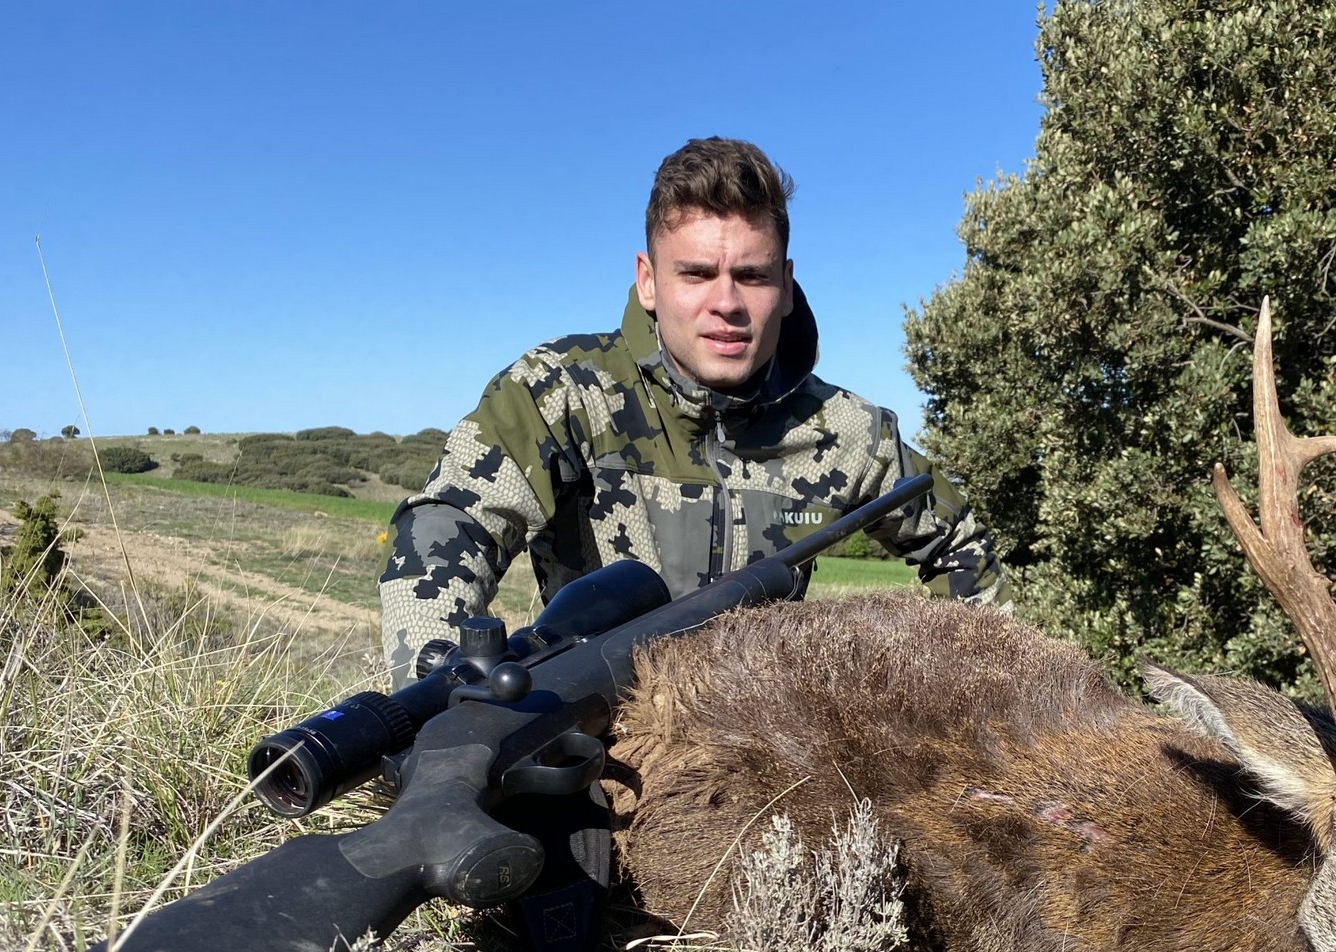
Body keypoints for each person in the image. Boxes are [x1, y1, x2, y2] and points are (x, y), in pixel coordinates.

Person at [377, 137, 1008, 687]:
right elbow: (449, 524)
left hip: (765, 745)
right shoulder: (564, 392)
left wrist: (997, 702)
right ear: (649, 281)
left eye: (752, 276)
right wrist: (446, 690)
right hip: (597, 734)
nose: (726, 303)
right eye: (697, 274)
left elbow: (960, 545)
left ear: (786, 285)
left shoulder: (849, 432)